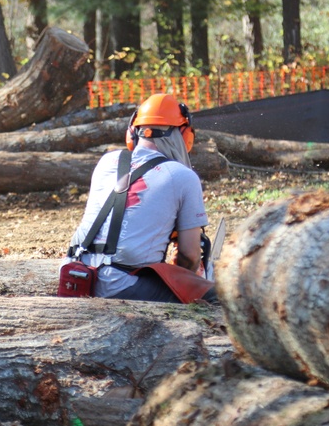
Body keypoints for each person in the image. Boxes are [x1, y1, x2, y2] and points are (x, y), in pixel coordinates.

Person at [64, 93, 216, 304]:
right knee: (215, 297)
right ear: (184, 134)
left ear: (132, 132)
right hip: (120, 286)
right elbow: (190, 257)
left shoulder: (107, 161)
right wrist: (187, 276)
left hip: (75, 275)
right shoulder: (182, 176)